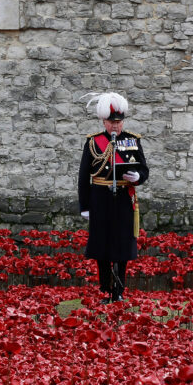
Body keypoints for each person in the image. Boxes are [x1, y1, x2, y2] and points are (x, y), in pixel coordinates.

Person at [77, 92, 149, 303]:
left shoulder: (132, 140)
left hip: (124, 201)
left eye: (118, 122)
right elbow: (83, 176)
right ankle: (105, 289)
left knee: (122, 246)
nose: (115, 126)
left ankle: (119, 290)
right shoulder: (93, 142)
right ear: (104, 121)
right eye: (111, 122)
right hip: (100, 199)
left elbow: (143, 169)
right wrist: (85, 206)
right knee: (102, 246)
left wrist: (138, 177)